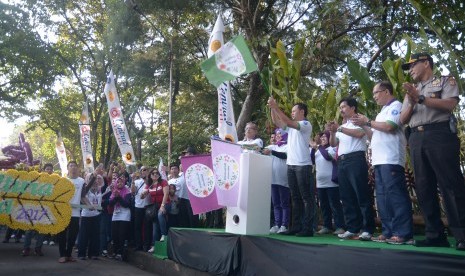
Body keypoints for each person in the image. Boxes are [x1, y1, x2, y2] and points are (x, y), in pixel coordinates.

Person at [400, 53, 465, 250]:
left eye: (413, 65)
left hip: (440, 134)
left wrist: (420, 99)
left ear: (426, 63)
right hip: (417, 138)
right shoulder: (412, 90)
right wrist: (412, 100)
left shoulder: (445, 81)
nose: (410, 70)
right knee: (424, 186)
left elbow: (450, 104)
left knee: (450, 185)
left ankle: (461, 234)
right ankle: (434, 234)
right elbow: (402, 120)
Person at [353, 81, 413, 244]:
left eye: (376, 93)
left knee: (396, 196)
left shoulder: (396, 105)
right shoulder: (382, 112)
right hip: (379, 160)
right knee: (382, 197)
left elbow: (390, 126)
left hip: (391, 158)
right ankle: (388, 231)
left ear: (386, 91)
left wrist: (367, 122)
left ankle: (403, 232)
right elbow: (374, 135)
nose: (374, 97)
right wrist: (364, 125)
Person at [328, 97, 375, 240]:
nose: (341, 110)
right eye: (340, 107)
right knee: (346, 196)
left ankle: (367, 229)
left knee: (361, 194)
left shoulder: (360, 120)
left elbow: (360, 134)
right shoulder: (344, 125)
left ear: (353, 107)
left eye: (343, 107)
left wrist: (340, 128)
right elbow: (333, 144)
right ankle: (353, 228)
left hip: (355, 159)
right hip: (341, 161)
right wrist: (333, 132)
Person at [267, 97, 315, 237]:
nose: (292, 113)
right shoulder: (291, 127)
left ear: (302, 111)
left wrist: (276, 107)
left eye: (294, 111)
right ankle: (296, 226)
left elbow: (287, 121)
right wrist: (272, 108)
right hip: (291, 166)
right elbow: (277, 122)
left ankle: (308, 228)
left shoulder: (305, 124)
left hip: (303, 166)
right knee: (295, 198)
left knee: (306, 198)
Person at [310, 132, 345, 235]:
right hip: (320, 183)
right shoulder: (318, 150)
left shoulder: (332, 148)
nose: (322, 138)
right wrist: (313, 148)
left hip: (331, 183)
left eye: (325, 136)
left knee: (334, 205)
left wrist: (318, 146)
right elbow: (312, 160)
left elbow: (328, 157)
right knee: (324, 205)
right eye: (321, 137)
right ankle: (327, 226)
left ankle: (340, 226)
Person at [22, 163, 55, 256]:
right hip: (34, 208)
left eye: (50, 169)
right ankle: (26, 248)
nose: (49, 170)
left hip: (45, 209)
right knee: (29, 230)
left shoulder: (55, 182)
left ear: (52, 171)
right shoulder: (37, 180)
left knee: (42, 230)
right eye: (47, 169)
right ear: (44, 170)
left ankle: (38, 248)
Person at [263, 128, 291, 234]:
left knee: (284, 203)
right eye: (277, 134)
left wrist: (272, 152)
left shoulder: (288, 147)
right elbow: (261, 150)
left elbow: (284, 156)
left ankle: (284, 225)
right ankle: (277, 224)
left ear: (285, 135)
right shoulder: (272, 146)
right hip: (273, 179)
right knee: (276, 204)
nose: (278, 135)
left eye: (280, 134)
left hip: (284, 180)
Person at [57, 161, 85, 263]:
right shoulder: (63, 180)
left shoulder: (81, 181)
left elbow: (83, 196)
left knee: (73, 235)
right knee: (62, 234)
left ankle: (69, 254)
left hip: (76, 213)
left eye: (75, 166)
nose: (73, 168)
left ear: (77, 169)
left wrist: (90, 205)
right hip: (63, 211)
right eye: (71, 166)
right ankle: (62, 255)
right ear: (67, 169)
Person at [142, 168, 170, 253]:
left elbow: (166, 194)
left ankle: (164, 235)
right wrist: (143, 194)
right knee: (155, 226)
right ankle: (154, 245)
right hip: (155, 207)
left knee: (160, 215)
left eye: (157, 173)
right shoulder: (149, 185)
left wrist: (162, 206)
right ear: (150, 175)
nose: (155, 174)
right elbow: (142, 196)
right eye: (153, 173)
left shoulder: (163, 182)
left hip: (166, 204)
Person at [78, 172, 103, 260]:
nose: (95, 181)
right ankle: (82, 254)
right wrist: (89, 205)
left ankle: (93, 254)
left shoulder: (99, 189)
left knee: (95, 235)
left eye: (95, 179)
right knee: (84, 235)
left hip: (96, 215)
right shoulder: (85, 188)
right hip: (86, 215)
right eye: (92, 178)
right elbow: (82, 197)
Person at [108, 172, 132, 260]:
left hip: (124, 215)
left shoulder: (127, 192)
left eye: (121, 182)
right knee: (115, 235)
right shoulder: (114, 191)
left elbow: (126, 204)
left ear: (124, 183)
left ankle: (121, 253)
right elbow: (110, 203)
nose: (119, 183)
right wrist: (115, 196)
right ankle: (115, 251)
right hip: (115, 215)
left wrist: (119, 197)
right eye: (118, 182)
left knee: (122, 235)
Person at [169, 163, 198, 228]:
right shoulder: (169, 181)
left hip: (186, 200)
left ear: (178, 169)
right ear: (170, 170)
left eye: (175, 168)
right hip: (173, 203)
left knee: (190, 218)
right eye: (172, 169)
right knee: (180, 220)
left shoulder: (184, 177)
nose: (174, 170)